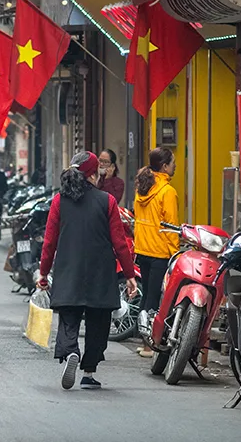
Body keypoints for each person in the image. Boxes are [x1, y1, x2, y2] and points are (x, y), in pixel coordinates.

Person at [37, 152, 137, 390]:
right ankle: (89, 372)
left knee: (69, 315)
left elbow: (49, 241)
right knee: (98, 320)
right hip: (100, 269)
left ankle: (71, 350)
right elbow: (119, 242)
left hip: (68, 267)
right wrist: (130, 274)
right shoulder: (107, 201)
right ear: (94, 173)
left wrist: (43, 271)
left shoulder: (59, 201)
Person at [132, 147, 179, 358]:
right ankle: (150, 345)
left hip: (143, 249)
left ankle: (144, 342)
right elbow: (171, 226)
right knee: (154, 300)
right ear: (164, 166)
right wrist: (175, 253)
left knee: (146, 298)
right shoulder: (167, 192)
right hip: (160, 251)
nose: (175, 166)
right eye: (172, 162)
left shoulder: (143, 186)